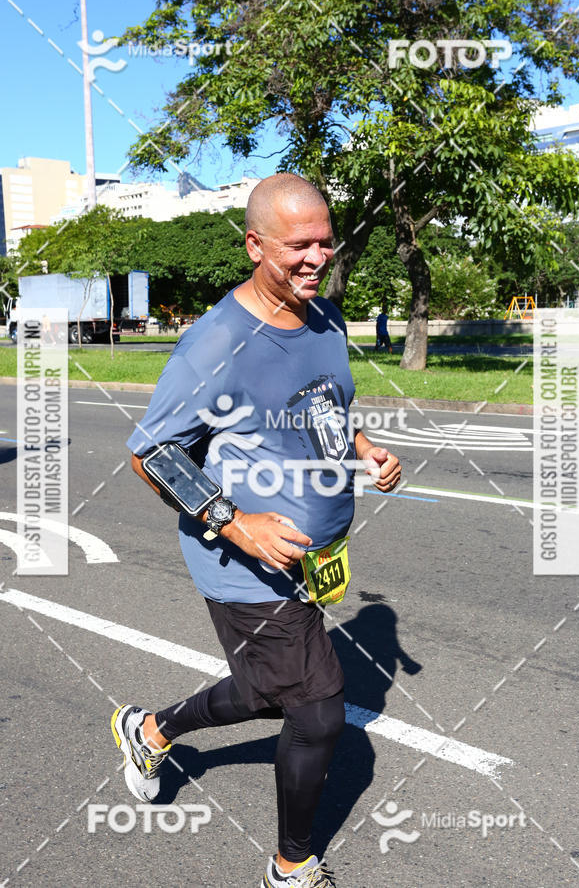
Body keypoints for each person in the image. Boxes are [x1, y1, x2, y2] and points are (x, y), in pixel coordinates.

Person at [111, 173, 402, 887]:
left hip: (313, 555)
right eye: (299, 245)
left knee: (266, 690)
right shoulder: (216, 344)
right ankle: (291, 866)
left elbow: (324, 407)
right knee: (318, 712)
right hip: (245, 566)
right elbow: (152, 454)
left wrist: (364, 450)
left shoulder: (325, 319)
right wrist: (236, 524)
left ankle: (150, 730)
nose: (317, 257)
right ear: (254, 245)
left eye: (326, 241)